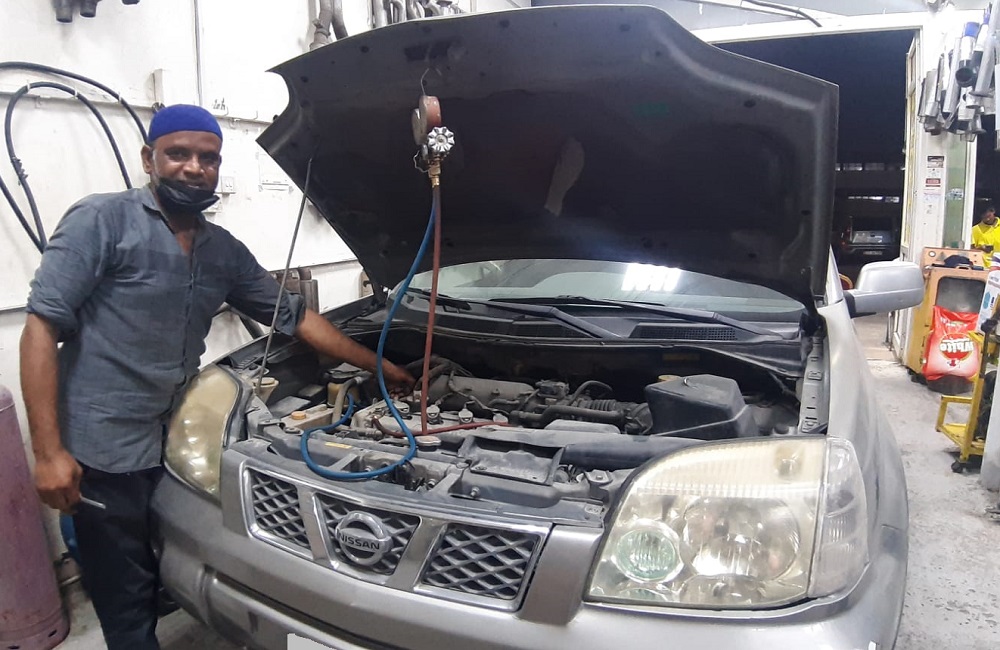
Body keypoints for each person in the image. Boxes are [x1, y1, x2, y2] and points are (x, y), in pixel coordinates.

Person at [19, 104, 415, 650]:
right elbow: (40, 329)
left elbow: (297, 318)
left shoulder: (221, 250)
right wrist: (47, 454)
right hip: (102, 443)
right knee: (122, 593)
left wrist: (381, 366)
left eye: (208, 158)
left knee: (158, 560)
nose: (193, 167)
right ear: (149, 159)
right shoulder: (102, 221)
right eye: (177, 154)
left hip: (174, 434)